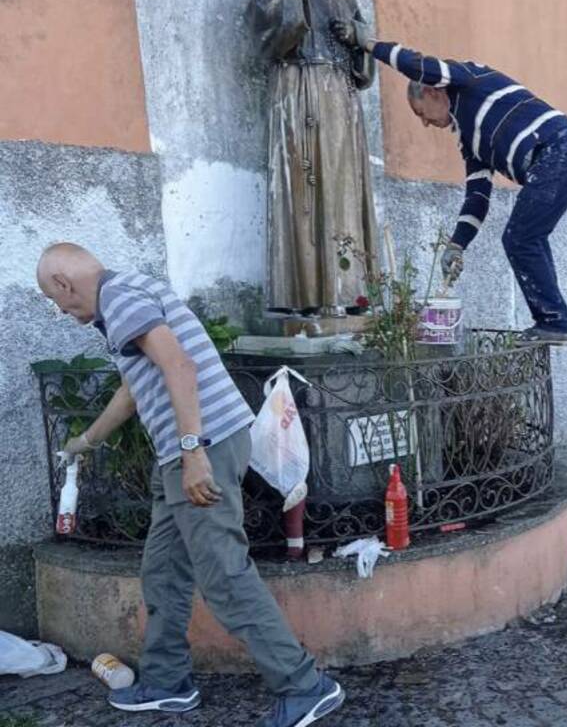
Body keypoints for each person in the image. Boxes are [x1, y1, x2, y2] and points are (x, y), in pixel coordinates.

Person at [37, 243, 344, 727]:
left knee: (224, 574)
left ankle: (306, 685)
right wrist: (88, 441)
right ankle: (168, 682)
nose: (61, 310)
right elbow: (135, 388)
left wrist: (192, 450)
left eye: (56, 301)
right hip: (183, 454)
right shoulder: (128, 296)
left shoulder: (118, 297)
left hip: (205, 447)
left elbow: (179, 365)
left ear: (62, 282)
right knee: (163, 571)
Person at [336, 18, 567, 346]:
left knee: (519, 238)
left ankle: (555, 323)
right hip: (563, 156)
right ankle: (555, 321)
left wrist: (370, 45)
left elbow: (422, 66)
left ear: (431, 91)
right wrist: (457, 245)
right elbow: (477, 196)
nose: (426, 123)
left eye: (421, 113)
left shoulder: (469, 77)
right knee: (528, 236)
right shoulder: (470, 138)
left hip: (559, 147)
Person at [248, 0, 378, 317]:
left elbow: (366, 42)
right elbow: (264, 34)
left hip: (342, 95)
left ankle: (350, 291)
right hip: (297, 85)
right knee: (303, 186)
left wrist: (354, 34)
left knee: (344, 190)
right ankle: (304, 294)